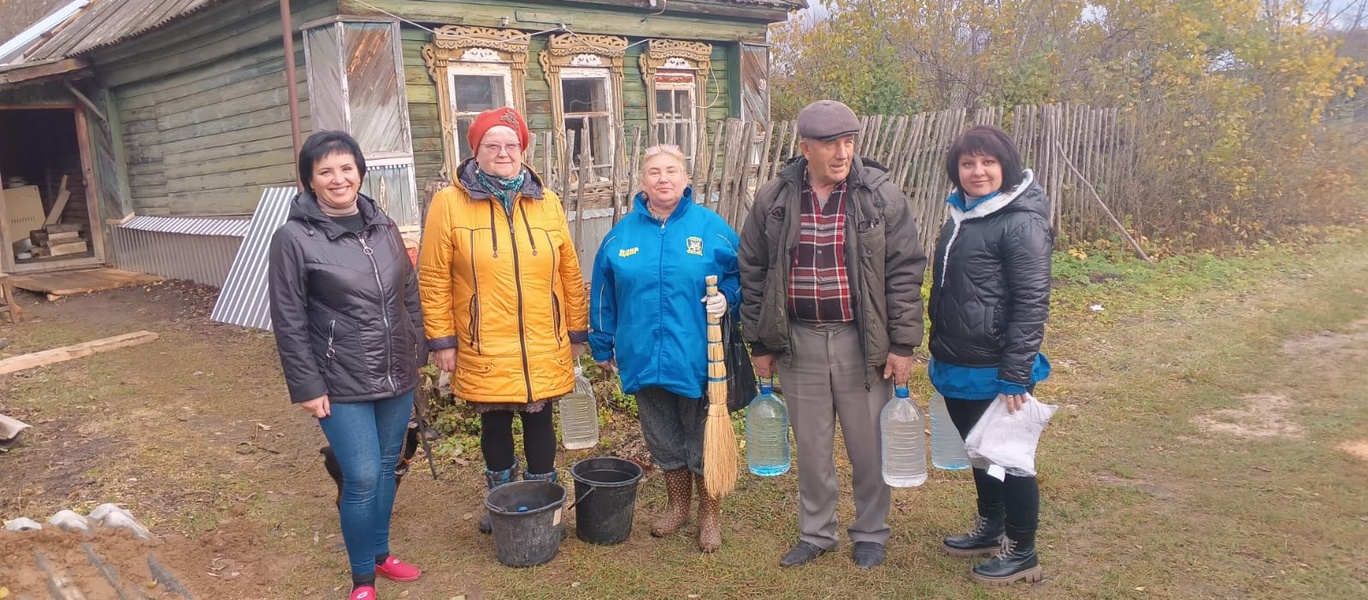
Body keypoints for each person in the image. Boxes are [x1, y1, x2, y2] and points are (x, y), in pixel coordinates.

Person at [738, 100, 927, 569]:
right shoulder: (775, 199)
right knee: (813, 446)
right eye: (830, 144)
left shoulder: (879, 194)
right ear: (805, 148)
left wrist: (903, 345)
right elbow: (754, 271)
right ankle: (817, 532)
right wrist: (760, 343)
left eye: (849, 142)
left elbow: (905, 271)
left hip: (860, 341)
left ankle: (870, 531)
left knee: (868, 444)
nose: (842, 153)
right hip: (797, 340)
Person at [268, 130, 425, 600]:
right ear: (310, 181)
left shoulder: (383, 225)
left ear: (360, 171)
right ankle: (362, 580)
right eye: (326, 171)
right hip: (339, 380)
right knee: (359, 476)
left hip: (396, 373)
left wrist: (415, 350)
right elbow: (288, 318)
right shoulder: (293, 238)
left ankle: (381, 553)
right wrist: (307, 385)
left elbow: (409, 295)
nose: (338, 179)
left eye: (346, 168)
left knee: (386, 466)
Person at [417, 106, 589, 535]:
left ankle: (543, 505)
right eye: (491, 145)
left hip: (541, 336)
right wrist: (442, 340)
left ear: (523, 150)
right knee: (494, 420)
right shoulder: (449, 203)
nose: (503, 152)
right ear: (475, 151)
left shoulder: (545, 201)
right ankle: (501, 502)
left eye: (511, 144)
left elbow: (569, 268)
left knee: (539, 417)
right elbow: (434, 274)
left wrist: (576, 330)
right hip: (483, 337)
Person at [588, 144, 740, 553]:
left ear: (686, 178)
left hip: (697, 356)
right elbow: (603, 293)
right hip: (641, 355)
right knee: (661, 435)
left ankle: (709, 513)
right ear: (642, 181)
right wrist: (601, 343)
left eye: (672, 170)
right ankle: (678, 505)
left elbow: (743, 273)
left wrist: (728, 295)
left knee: (701, 435)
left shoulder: (711, 228)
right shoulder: (621, 235)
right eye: (654, 171)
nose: (663, 179)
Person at [929, 125, 1053, 586]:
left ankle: (1022, 550)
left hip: (997, 368)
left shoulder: (1020, 220)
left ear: (1006, 166)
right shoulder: (962, 214)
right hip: (959, 361)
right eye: (967, 164)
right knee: (979, 454)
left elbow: (1031, 302)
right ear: (955, 170)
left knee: (1010, 458)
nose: (977, 172)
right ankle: (991, 526)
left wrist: (1015, 374)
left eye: (987, 162)